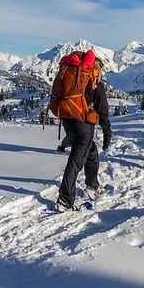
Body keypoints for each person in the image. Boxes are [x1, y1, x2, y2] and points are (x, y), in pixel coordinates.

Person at [48, 50, 110, 212]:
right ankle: (65, 200)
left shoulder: (76, 80)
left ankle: (92, 186)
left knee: (91, 153)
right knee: (76, 162)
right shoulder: (95, 84)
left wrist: (64, 143)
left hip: (68, 119)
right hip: (83, 125)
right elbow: (103, 111)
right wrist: (107, 132)